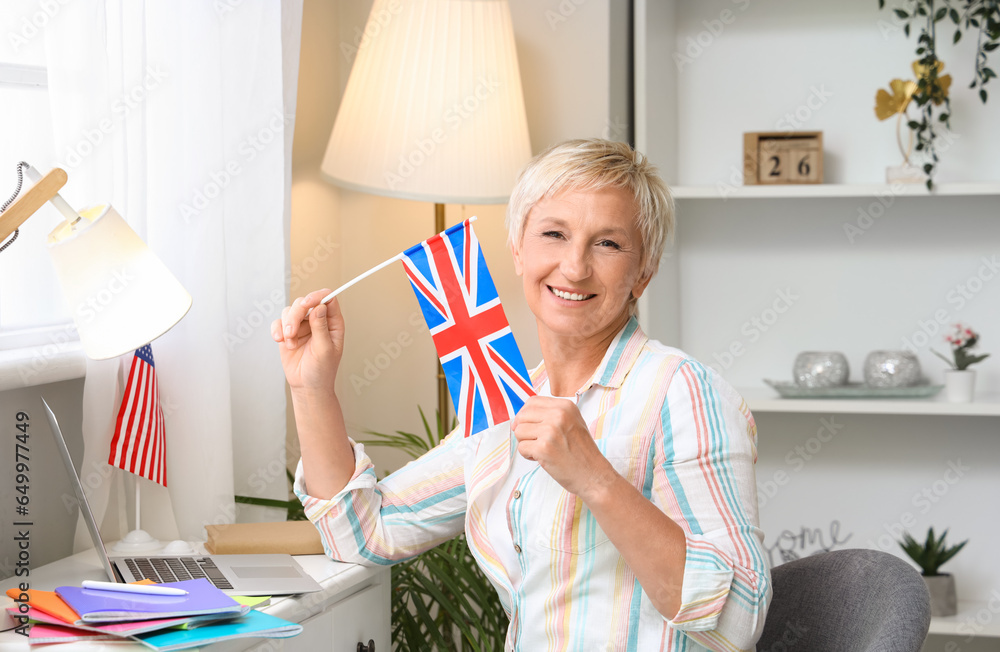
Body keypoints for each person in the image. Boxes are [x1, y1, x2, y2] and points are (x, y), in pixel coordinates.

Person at [272, 139, 770, 650]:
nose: (575, 267)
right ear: (517, 249)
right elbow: (366, 532)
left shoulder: (680, 391)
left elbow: (739, 617)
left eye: (608, 244)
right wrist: (310, 387)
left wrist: (596, 479)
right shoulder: (504, 401)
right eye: (554, 234)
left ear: (644, 271)